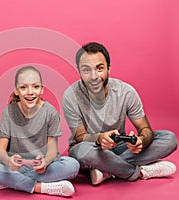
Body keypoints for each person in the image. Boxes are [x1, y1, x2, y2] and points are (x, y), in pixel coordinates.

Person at [63, 42, 177, 185]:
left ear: (108, 69)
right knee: (80, 152)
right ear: (79, 71)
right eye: (86, 70)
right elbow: (79, 136)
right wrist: (99, 138)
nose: (94, 76)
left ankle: (106, 171)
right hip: (91, 148)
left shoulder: (126, 92)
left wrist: (141, 140)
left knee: (169, 138)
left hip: (120, 147)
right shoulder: (70, 96)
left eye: (99, 69)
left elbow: (145, 129)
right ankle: (139, 172)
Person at [0, 66, 79, 197]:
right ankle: (40, 187)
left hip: (42, 168)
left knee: (73, 165)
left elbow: (52, 150)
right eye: (23, 87)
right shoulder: (9, 112)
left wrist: (45, 162)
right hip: (15, 166)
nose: (30, 92)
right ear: (16, 91)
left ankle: (7, 182)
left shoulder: (50, 112)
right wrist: (8, 161)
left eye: (35, 87)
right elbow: (0, 151)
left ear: (41, 89)